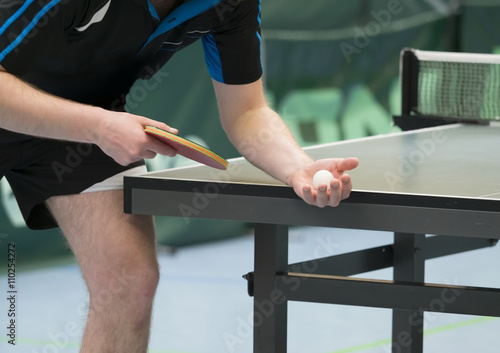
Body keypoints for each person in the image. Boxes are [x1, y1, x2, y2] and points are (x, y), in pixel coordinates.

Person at [0, 0, 359, 351]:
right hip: (44, 108)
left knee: (129, 282)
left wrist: (298, 166)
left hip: (84, 122)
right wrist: (100, 127)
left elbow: (247, 111)